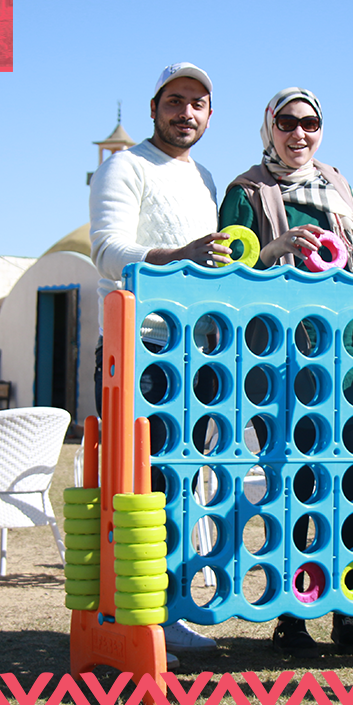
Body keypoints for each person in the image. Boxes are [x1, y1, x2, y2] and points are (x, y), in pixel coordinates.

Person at [219, 87, 353, 656]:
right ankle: (293, 615)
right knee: (301, 488)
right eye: (286, 122)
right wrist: (271, 249)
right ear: (269, 127)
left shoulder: (338, 186)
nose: (299, 133)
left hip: (351, 363)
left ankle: (349, 611)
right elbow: (225, 275)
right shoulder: (246, 191)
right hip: (285, 366)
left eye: (309, 122)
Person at [89, 62, 231, 657]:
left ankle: (164, 614)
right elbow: (106, 251)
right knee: (138, 488)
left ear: (210, 115)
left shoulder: (206, 178)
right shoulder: (123, 166)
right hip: (140, 351)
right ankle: (131, 620)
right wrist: (177, 255)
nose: (185, 112)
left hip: (197, 355)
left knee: (179, 488)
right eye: (175, 101)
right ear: (154, 108)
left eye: (197, 103)